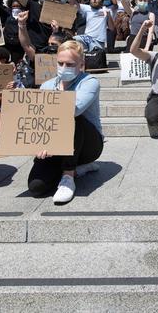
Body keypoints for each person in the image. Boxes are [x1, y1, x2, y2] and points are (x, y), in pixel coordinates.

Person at [31, 40, 104, 204]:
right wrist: (38, 143)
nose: (64, 67)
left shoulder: (90, 82)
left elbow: (74, 110)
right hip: (56, 143)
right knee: (36, 187)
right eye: (60, 63)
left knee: (71, 115)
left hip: (86, 143)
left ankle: (69, 175)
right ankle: (78, 169)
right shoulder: (46, 86)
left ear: (81, 65)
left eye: (70, 64)